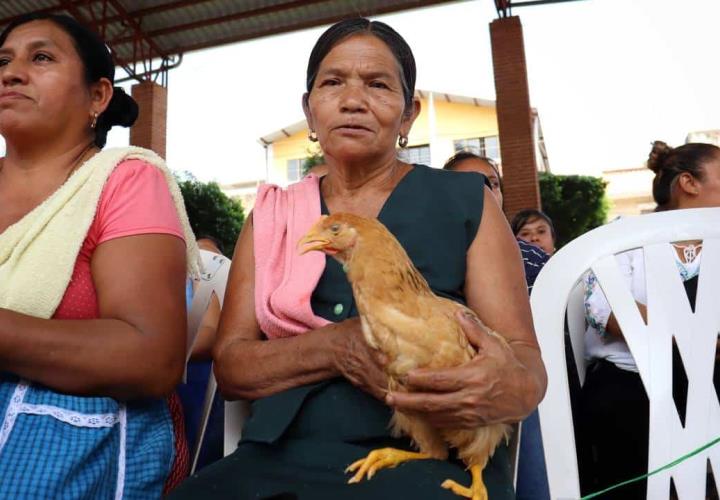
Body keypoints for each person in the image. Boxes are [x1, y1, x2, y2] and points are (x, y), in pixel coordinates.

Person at [171, 18, 546, 500]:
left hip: (432, 462)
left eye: (377, 84)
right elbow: (233, 368)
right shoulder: (272, 216)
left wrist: (506, 387)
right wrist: (337, 347)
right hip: (277, 458)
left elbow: (524, 359)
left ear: (408, 114)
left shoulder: (468, 202)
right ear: (309, 111)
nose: (352, 100)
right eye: (332, 83)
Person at [0, 13, 199, 497]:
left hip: (71, 446)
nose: (10, 72)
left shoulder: (124, 180)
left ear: (98, 96)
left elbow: (151, 358)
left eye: (41, 57)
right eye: (2, 61)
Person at [580, 140, 720, 498]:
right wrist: (694, 334)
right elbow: (605, 311)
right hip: (632, 381)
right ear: (689, 183)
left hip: (705, 377)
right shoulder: (624, 236)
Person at [444, 150, 551, 500]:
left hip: (536, 383)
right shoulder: (430, 256)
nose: (482, 192)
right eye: (468, 184)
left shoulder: (534, 258)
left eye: (490, 183)